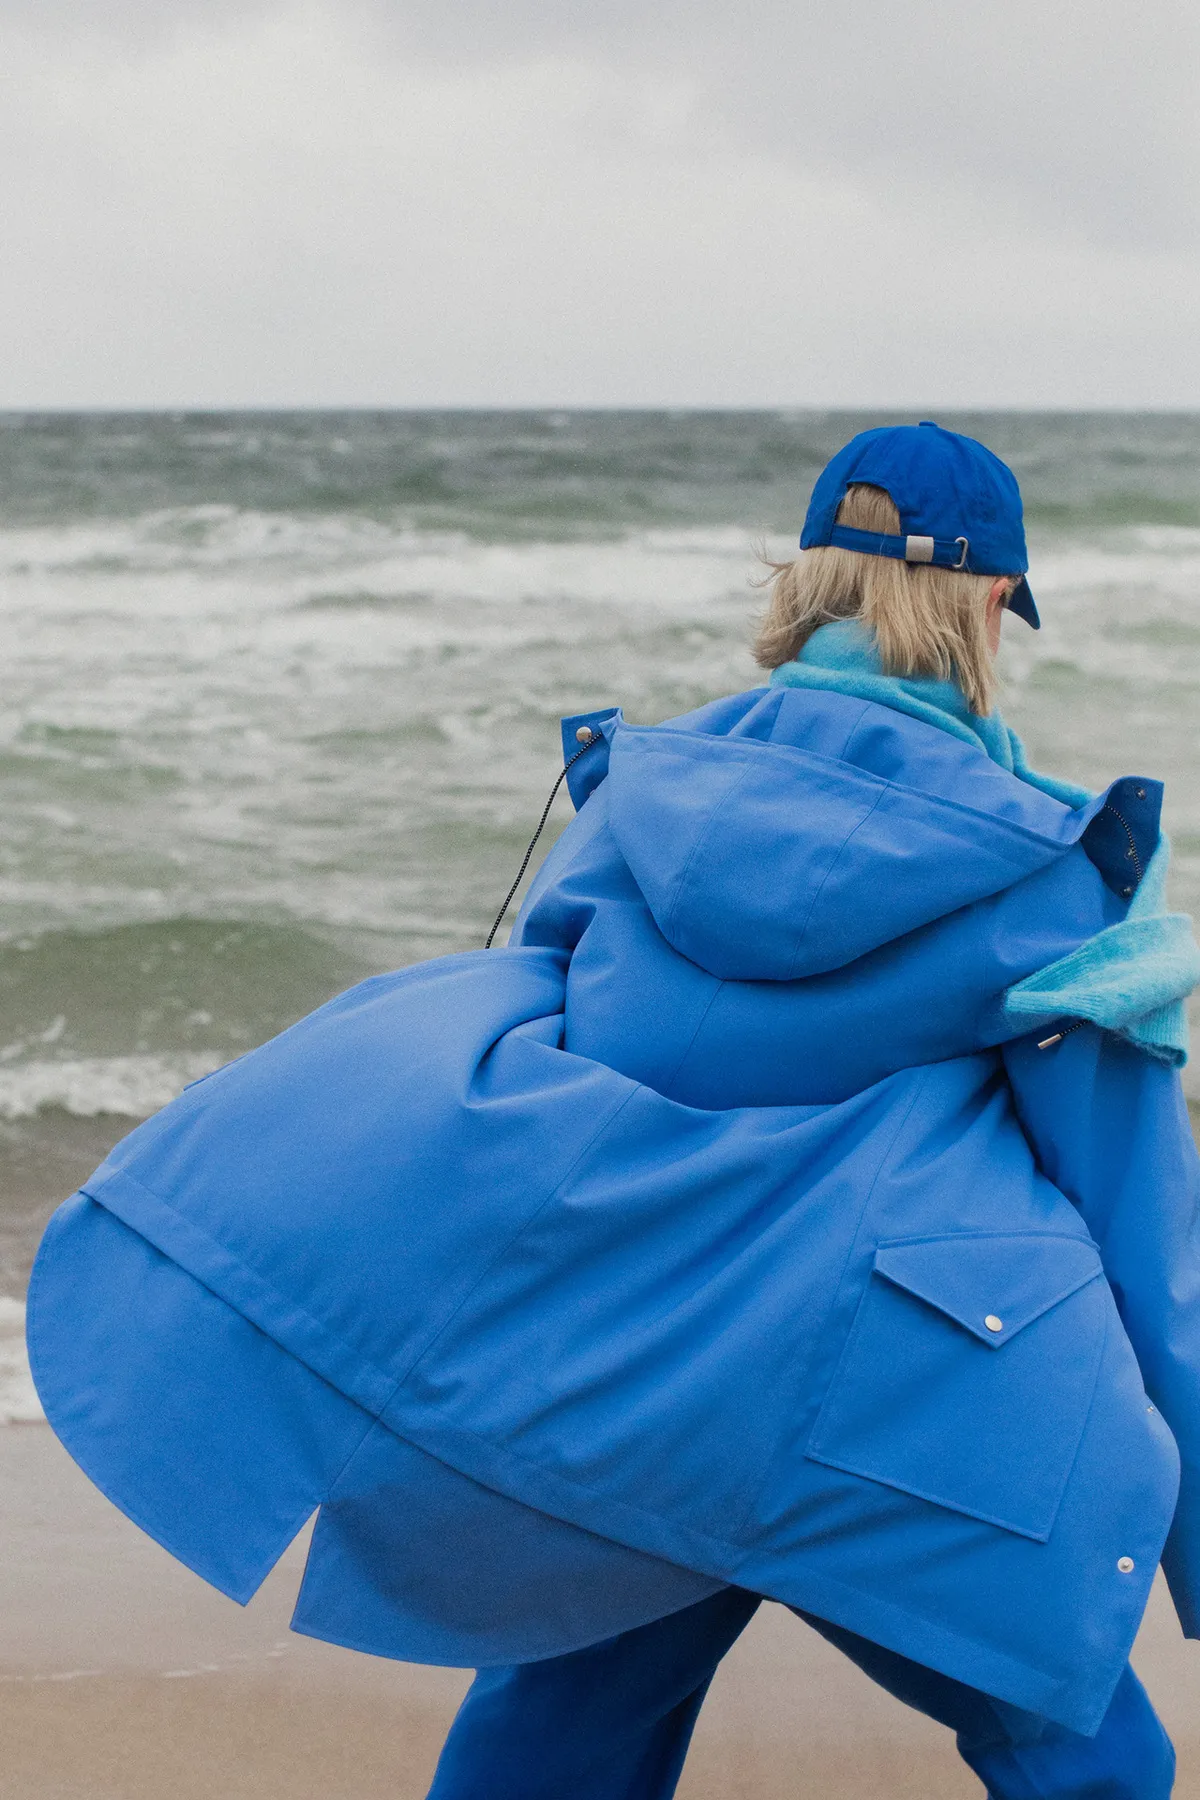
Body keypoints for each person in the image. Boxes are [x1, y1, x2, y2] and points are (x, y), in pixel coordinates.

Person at [28, 424, 1200, 1800]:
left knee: (557, 1735)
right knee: (1088, 1757)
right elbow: (1139, 1223)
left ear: (810, 581)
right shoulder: (1049, 873)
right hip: (883, 1415)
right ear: (987, 603)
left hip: (634, 1390)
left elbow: (585, 1047)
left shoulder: (642, 798)